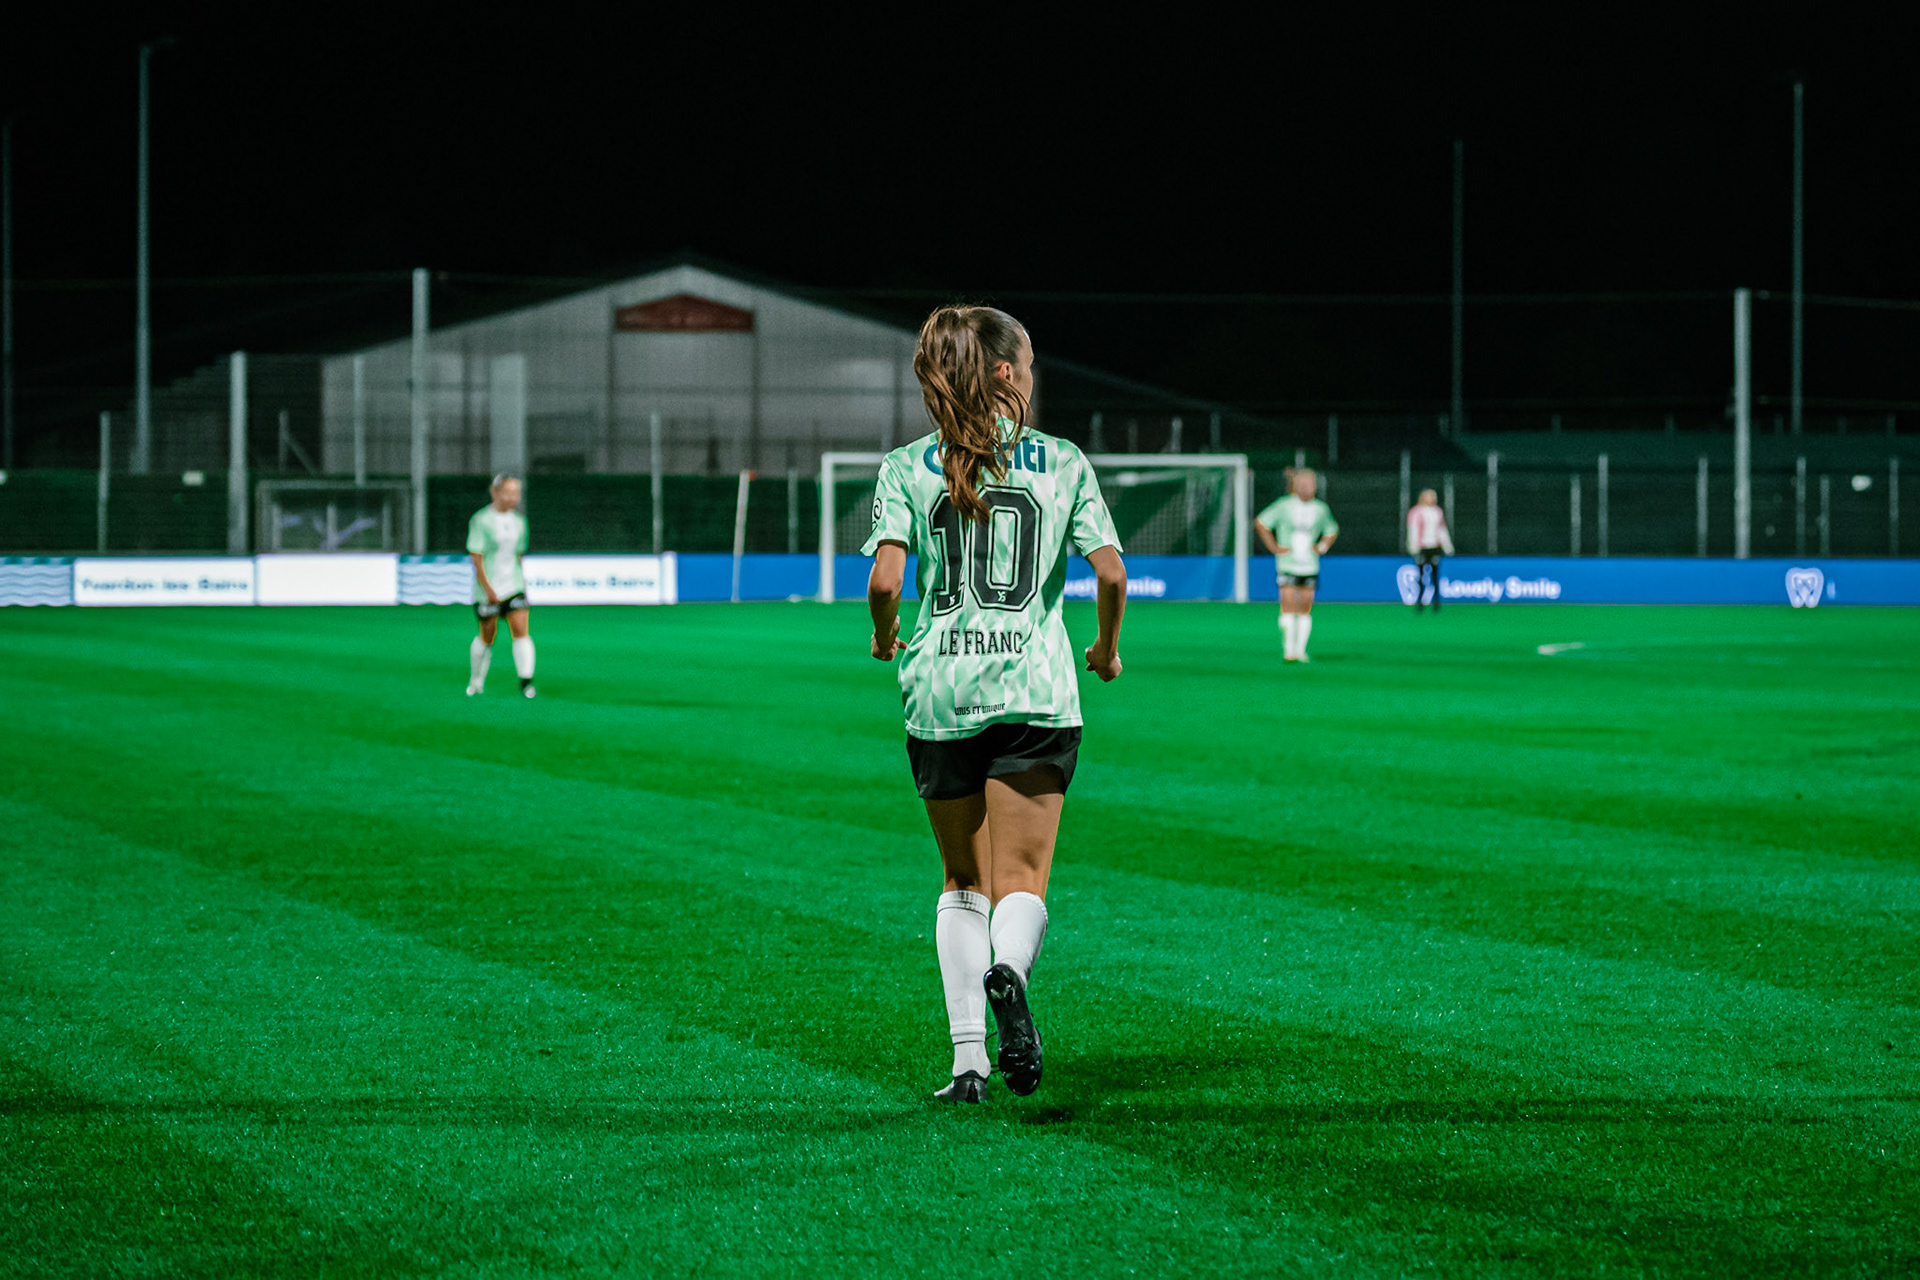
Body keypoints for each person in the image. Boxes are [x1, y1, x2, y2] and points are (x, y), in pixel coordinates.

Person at [864, 305, 1126, 1104]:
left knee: (960, 880)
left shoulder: (909, 464)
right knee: (1021, 879)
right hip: (1033, 687)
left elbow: (883, 581)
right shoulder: (1063, 462)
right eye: (1033, 364)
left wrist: (885, 636)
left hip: (940, 688)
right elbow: (1110, 574)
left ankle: (968, 1063)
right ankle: (1007, 972)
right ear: (1007, 373)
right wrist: (1105, 648)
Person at [1254, 467, 1338, 663]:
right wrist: (1273, 546)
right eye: (1302, 483)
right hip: (1287, 563)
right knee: (1288, 605)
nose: (1306, 487)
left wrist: (1323, 546)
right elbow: (1261, 523)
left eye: (1310, 484)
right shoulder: (1284, 505)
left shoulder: (1320, 508)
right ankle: (1288, 650)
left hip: (1310, 564)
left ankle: (1301, 651)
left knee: (1305, 607)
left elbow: (1332, 529)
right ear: (1295, 485)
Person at [466, 474, 536, 699]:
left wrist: (523, 584)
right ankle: (476, 681)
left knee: (521, 632)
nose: (513, 497)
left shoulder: (520, 521)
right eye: (508, 492)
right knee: (488, 636)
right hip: (489, 590)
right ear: (495, 492)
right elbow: (477, 557)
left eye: (516, 492)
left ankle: (526, 683)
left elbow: (518, 556)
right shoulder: (481, 520)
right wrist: (487, 589)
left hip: (514, 586)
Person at [1406, 487, 1454, 611]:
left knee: (1435, 574)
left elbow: (1442, 530)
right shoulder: (1415, 512)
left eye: (1433, 496)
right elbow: (1413, 530)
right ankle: (1420, 601)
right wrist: (1413, 546)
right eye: (1430, 496)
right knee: (1421, 575)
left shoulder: (1438, 512)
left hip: (1434, 547)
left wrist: (1447, 546)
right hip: (1422, 547)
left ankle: (1436, 601)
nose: (1432, 498)